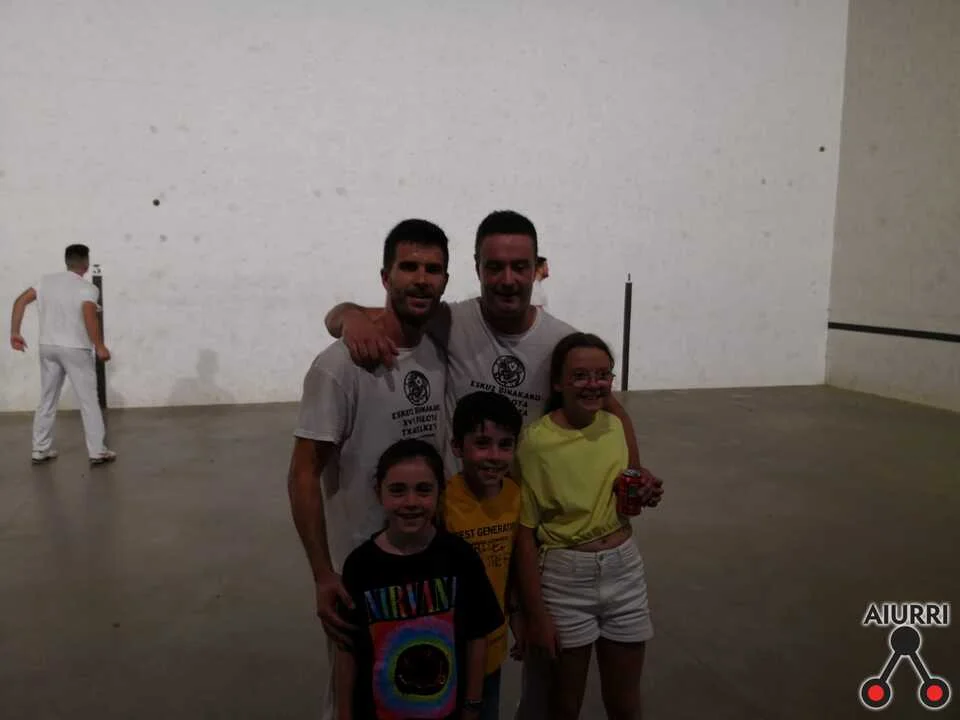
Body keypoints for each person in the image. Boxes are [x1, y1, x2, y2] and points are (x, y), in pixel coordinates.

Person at [324, 210, 662, 718]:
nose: (508, 279)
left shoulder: (561, 340)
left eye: (520, 266)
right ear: (477, 269)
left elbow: (611, 406)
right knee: (464, 648)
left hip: (538, 529)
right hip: (469, 522)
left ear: (537, 268)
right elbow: (358, 313)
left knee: (543, 672)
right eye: (495, 267)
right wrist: (348, 317)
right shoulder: (450, 320)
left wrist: (632, 473)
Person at [288, 219, 451, 720]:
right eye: (409, 267)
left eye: (433, 269)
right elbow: (303, 473)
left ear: (445, 280)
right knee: (354, 698)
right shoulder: (339, 366)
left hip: (426, 563)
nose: (421, 279)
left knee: (418, 691)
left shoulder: (437, 345)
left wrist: (345, 313)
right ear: (385, 276)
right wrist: (322, 574)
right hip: (359, 571)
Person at [515, 332, 656, 720]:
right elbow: (523, 535)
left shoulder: (615, 426)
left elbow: (627, 486)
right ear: (558, 383)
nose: (593, 384)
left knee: (626, 705)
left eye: (602, 375)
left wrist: (645, 489)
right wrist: (535, 614)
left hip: (625, 571)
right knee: (564, 707)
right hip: (565, 580)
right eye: (579, 375)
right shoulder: (535, 443)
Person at [336, 438, 505, 720]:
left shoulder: (460, 557)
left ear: (440, 492)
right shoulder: (360, 566)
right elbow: (347, 650)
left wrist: (472, 706)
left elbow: (477, 637)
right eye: (397, 491)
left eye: (424, 490)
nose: (411, 502)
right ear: (379, 493)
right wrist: (344, 714)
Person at [444, 391, 525, 720]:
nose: (494, 456)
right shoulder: (442, 502)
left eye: (505, 445)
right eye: (482, 443)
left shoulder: (515, 495)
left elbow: (512, 565)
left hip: (492, 647)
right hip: (446, 648)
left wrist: (517, 619)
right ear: (456, 447)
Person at [9, 244, 116, 465]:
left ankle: (40, 449)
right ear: (86, 263)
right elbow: (88, 314)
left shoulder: (45, 281)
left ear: (67, 262)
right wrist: (99, 346)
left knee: (47, 399)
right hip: (75, 348)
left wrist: (15, 332)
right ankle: (97, 451)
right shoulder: (87, 288)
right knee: (88, 401)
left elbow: (20, 301)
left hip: (48, 346)